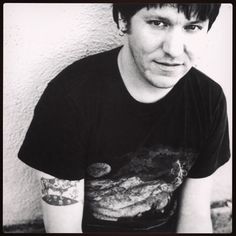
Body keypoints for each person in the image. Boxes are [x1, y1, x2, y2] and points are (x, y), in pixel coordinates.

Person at [18, 3, 230, 233]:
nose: (175, 50)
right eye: (158, 23)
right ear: (122, 20)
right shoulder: (70, 99)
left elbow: (195, 216)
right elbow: (64, 229)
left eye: (193, 27)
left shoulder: (208, 99)